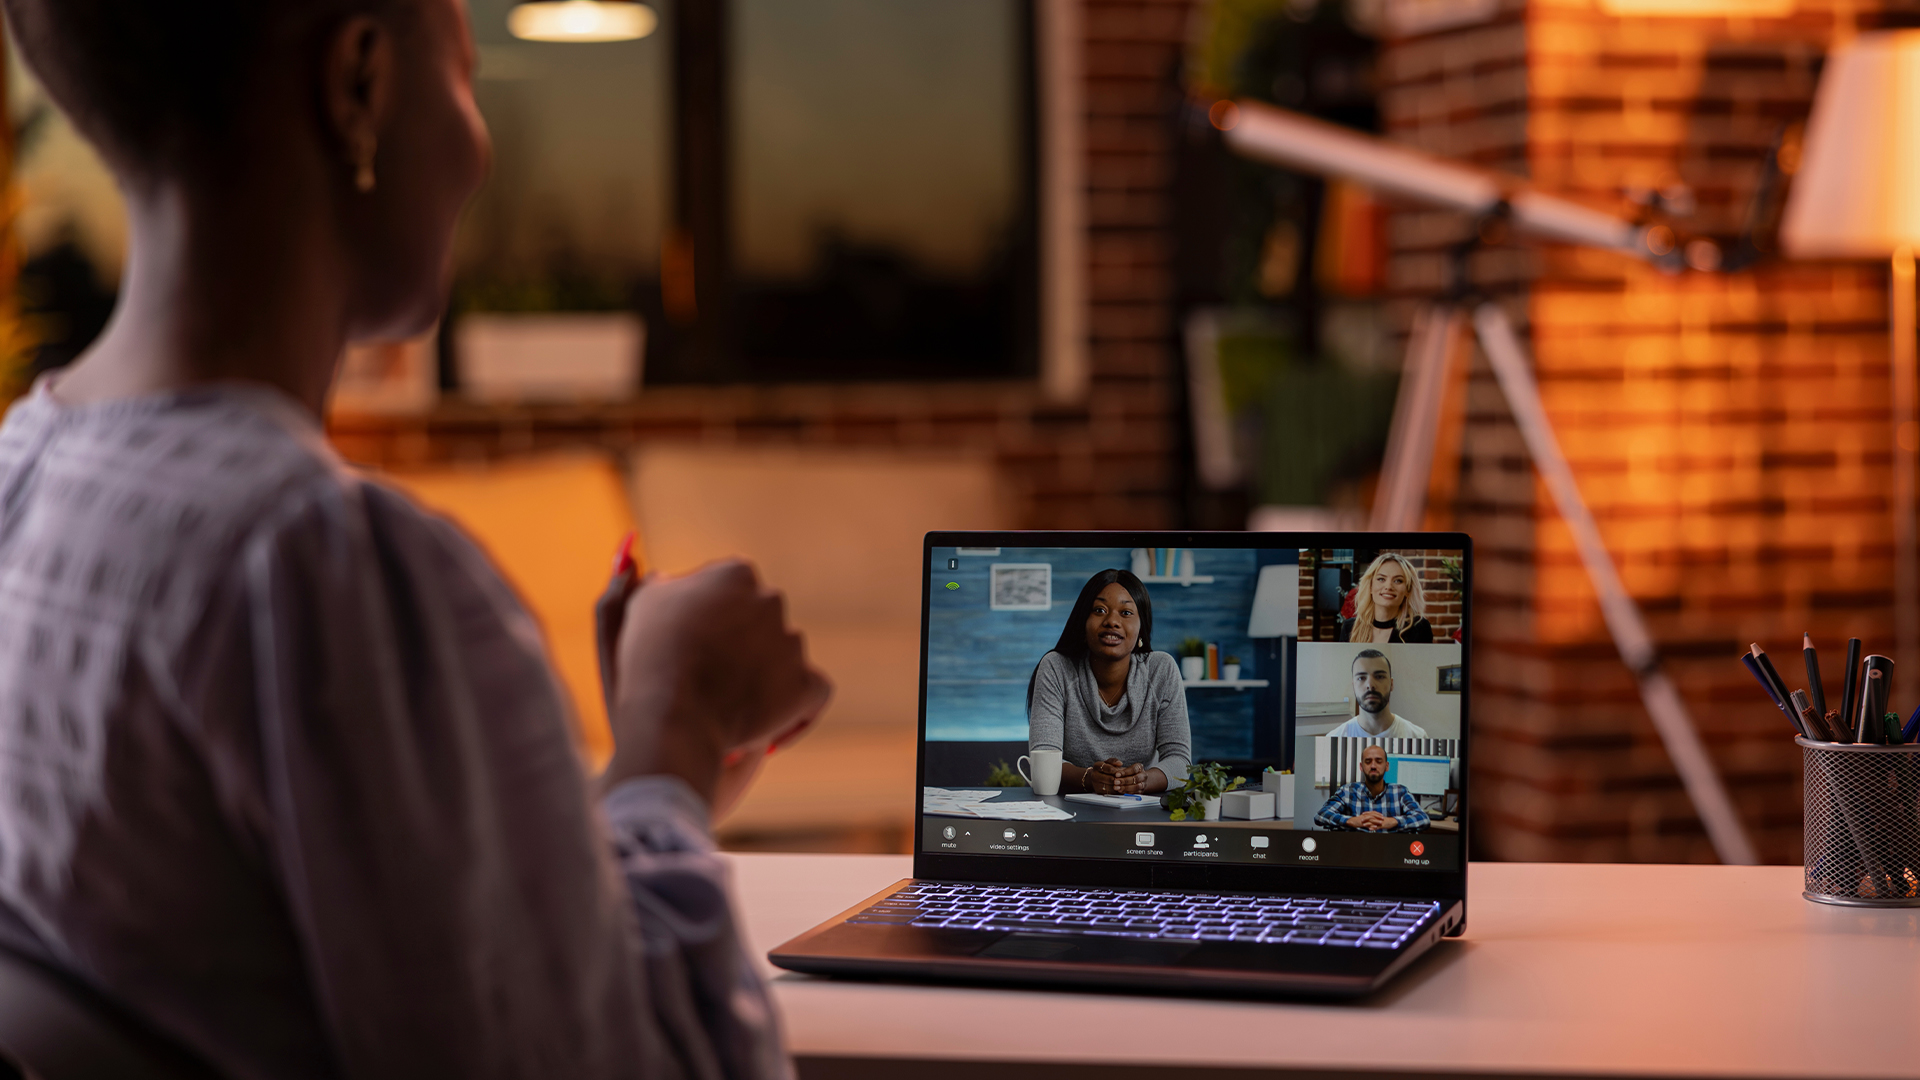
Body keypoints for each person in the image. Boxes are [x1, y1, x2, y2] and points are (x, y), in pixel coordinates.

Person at [0, 1, 831, 1076]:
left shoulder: (27, 482)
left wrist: (650, 779)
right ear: (359, 83)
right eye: (467, 75)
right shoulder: (325, 569)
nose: (481, 155)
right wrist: (681, 717)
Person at [1026, 569, 1191, 795]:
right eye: (1100, 610)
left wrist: (1141, 781)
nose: (1112, 621)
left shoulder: (1161, 670)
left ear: (1141, 627)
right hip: (1068, 813)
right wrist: (1090, 779)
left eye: (1126, 612)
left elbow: (1180, 761)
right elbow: (1044, 758)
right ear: (1084, 622)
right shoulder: (1056, 668)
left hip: (1142, 812)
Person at [1314, 745, 1431, 832]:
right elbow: (1321, 815)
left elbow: (1423, 819)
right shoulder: (1347, 791)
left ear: (1387, 766)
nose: (1373, 766)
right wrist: (1351, 821)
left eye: (1378, 761)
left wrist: (1392, 822)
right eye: (1368, 761)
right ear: (1361, 766)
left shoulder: (1400, 792)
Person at [1327, 649, 1429, 738]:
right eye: (1361, 678)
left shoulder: (1418, 737)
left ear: (1391, 684)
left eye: (1379, 677)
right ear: (1353, 685)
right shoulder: (1335, 738)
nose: (1370, 685)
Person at [1338, 552, 1434, 643]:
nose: (1388, 586)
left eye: (1398, 581)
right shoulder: (1350, 627)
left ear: (1407, 590)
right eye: (1381, 579)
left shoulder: (1419, 627)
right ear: (1370, 586)